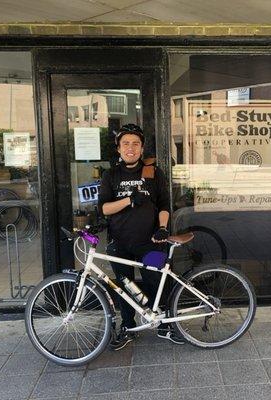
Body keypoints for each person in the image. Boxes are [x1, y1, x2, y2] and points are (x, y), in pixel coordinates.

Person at [98, 124, 184, 350]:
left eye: (135, 143)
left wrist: (163, 227)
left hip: (152, 242)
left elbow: (164, 203)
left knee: (156, 281)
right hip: (120, 243)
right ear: (118, 148)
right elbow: (104, 208)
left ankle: (164, 325)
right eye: (125, 143)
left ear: (142, 148)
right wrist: (128, 200)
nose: (130, 148)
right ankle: (128, 327)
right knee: (124, 287)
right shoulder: (111, 175)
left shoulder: (153, 172)